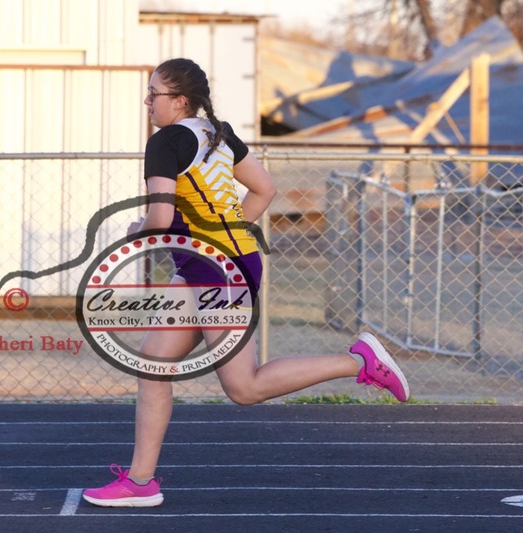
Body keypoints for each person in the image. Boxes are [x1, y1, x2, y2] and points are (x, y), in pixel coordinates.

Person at [81, 58, 409, 508]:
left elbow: (160, 218)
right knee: (152, 366)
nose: (147, 101)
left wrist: (137, 231)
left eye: (153, 93)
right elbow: (265, 190)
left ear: (179, 100)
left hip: (216, 272)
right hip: (217, 264)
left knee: (245, 388)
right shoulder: (217, 132)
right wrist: (223, 239)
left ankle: (359, 361)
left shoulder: (165, 142)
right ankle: (141, 482)